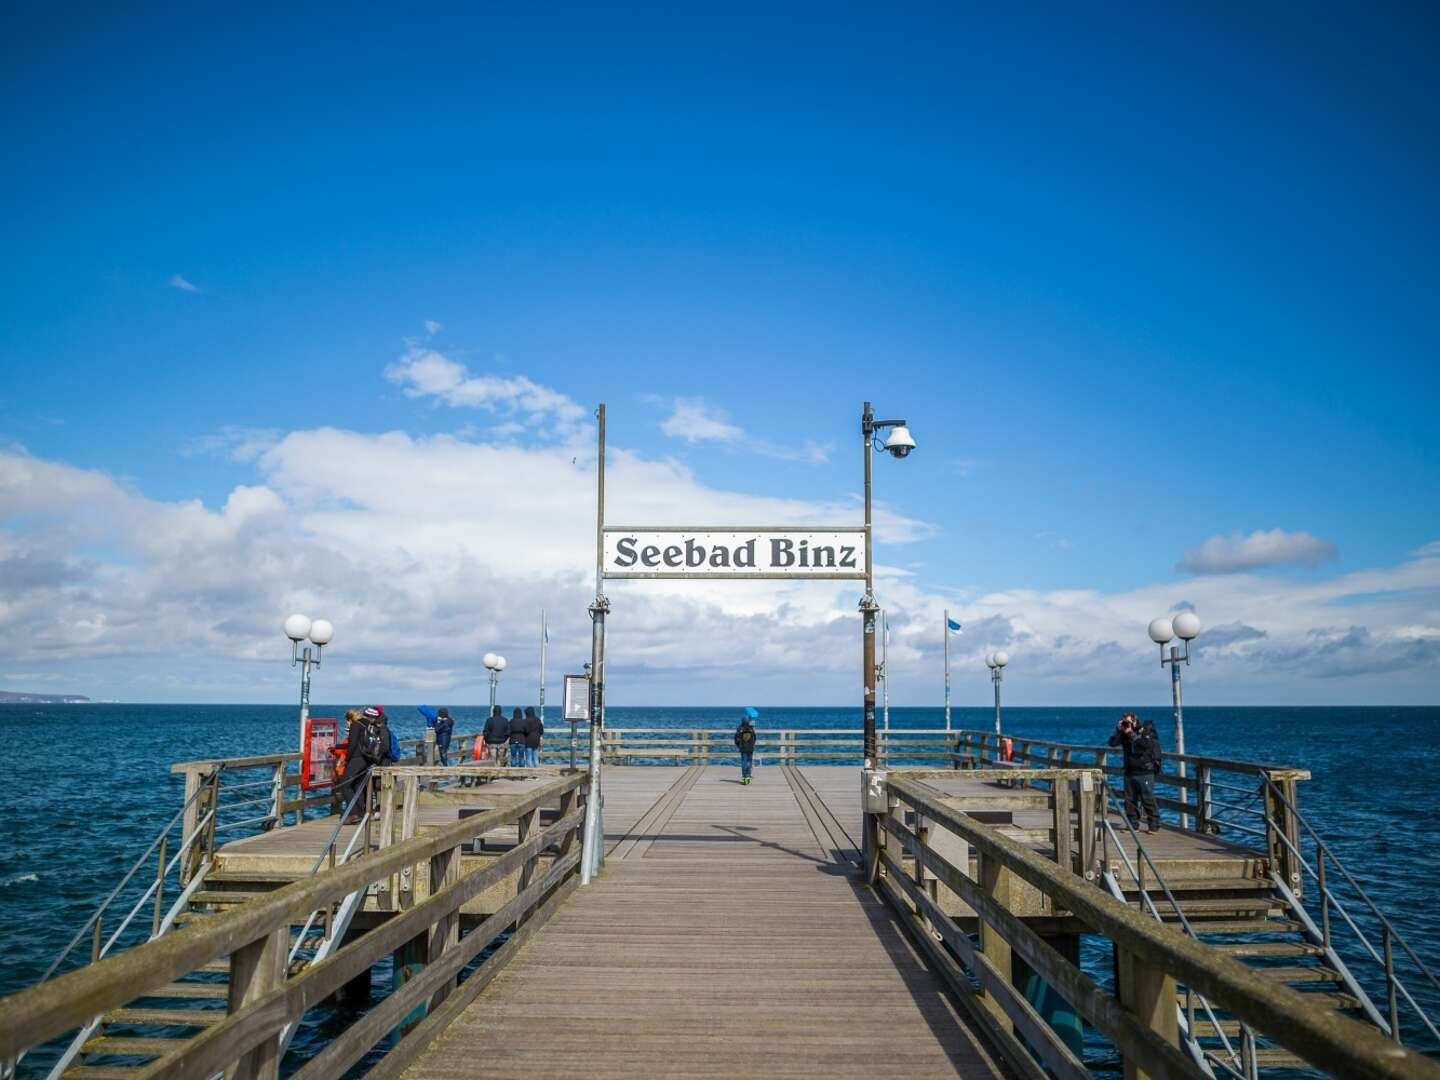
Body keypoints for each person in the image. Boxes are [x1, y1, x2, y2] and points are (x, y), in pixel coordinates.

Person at [1108, 711, 1162, 833]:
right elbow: (1112, 743)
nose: (1126, 724)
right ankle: (1133, 825)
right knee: (1129, 800)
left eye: (1128, 721)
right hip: (1130, 771)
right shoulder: (1124, 732)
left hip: (1145, 772)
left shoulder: (1146, 730)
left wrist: (1131, 733)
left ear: (1134, 720)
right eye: (1124, 721)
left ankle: (1154, 825)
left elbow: (1145, 745)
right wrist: (1118, 730)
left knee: (1147, 799)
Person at [339, 706, 393, 823]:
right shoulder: (368, 725)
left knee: (345, 785)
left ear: (350, 719)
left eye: (347, 721)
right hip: (367, 759)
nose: (347, 724)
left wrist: (347, 760)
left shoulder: (356, 725)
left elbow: (352, 745)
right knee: (358, 785)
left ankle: (354, 813)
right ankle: (362, 812)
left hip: (356, 759)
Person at [734, 707, 759, 785]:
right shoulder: (751, 728)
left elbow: (736, 739)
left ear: (742, 721)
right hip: (750, 748)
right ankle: (748, 776)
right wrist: (752, 745)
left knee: (743, 763)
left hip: (743, 748)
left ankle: (744, 777)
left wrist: (739, 745)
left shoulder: (739, 728)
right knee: (749, 762)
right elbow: (754, 738)